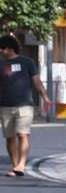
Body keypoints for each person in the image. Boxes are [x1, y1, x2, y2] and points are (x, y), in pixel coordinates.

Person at [1, 34, 48, 176]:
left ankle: (21, 165)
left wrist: (45, 97)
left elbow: (37, 82)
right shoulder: (0, 64)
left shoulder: (27, 62)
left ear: (9, 49)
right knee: (10, 137)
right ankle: (14, 166)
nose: (0, 51)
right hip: (4, 106)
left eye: (1, 48)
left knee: (23, 134)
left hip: (24, 105)